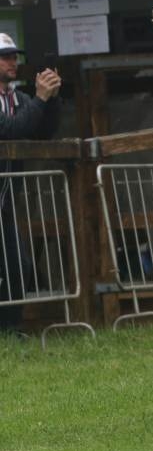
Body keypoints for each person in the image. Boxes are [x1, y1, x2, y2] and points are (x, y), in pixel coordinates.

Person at [0, 33, 62, 335]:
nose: (13, 61)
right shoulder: (24, 100)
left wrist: (52, 98)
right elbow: (10, 131)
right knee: (13, 264)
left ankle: (10, 329)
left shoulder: (17, 98)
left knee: (17, 266)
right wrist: (39, 98)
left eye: (14, 55)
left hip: (7, 197)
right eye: (6, 56)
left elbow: (42, 132)